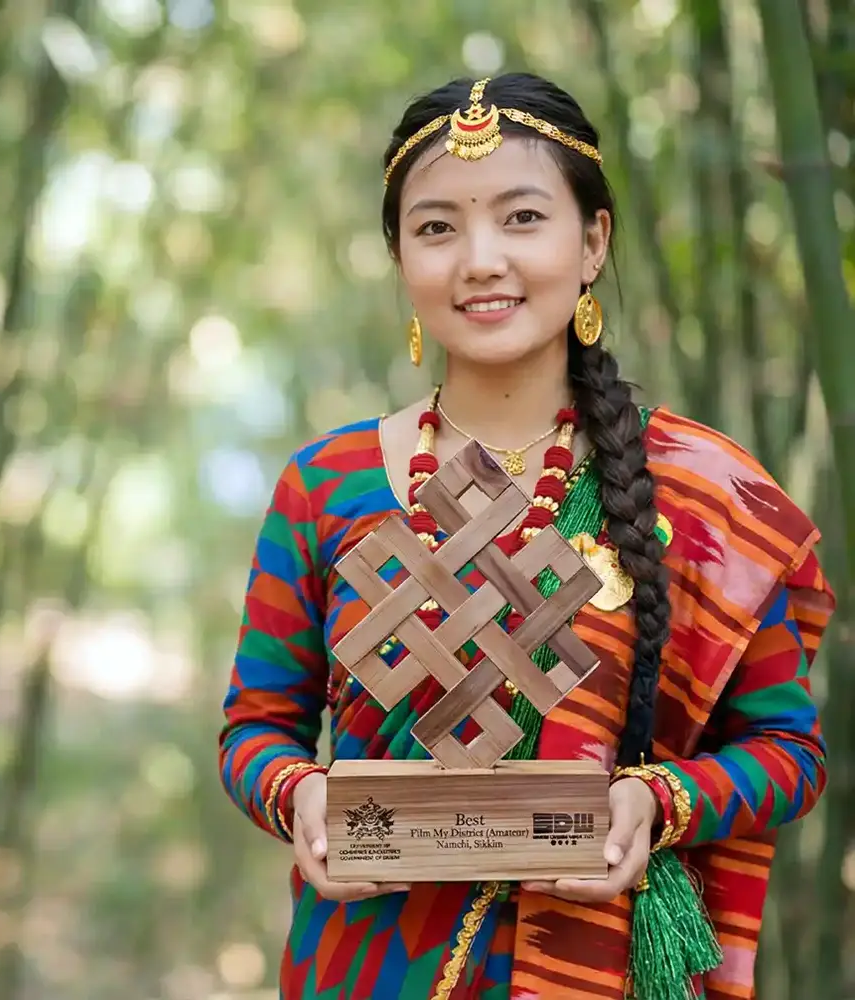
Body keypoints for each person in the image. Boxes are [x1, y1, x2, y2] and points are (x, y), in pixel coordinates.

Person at [216, 73, 834, 1000]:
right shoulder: (324, 486)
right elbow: (255, 730)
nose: (479, 260)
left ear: (591, 243)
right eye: (435, 228)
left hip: (604, 966)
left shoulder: (705, 498)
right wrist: (302, 798)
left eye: (521, 218)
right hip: (371, 967)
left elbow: (787, 752)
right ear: (398, 258)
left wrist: (653, 802)